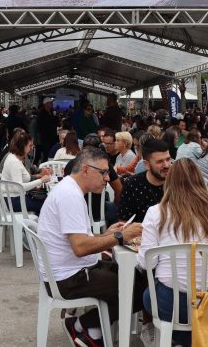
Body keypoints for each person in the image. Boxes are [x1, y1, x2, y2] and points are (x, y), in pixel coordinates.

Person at [37, 147, 143, 347]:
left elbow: (78, 239)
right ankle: (84, 325)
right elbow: (80, 247)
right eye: (103, 172)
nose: (107, 178)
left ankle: (88, 328)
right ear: (86, 170)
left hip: (69, 271)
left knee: (134, 279)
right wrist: (120, 237)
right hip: (69, 279)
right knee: (140, 290)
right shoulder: (70, 195)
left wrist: (106, 234)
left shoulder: (70, 189)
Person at [138, 158, 208, 347]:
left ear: (169, 182)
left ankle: (178, 340)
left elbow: (147, 263)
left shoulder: (156, 213)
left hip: (170, 302)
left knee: (148, 296)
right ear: (200, 180)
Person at [118, 138, 172, 223]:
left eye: (168, 159)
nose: (166, 165)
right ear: (146, 164)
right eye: (160, 162)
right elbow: (124, 222)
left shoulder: (178, 181)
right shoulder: (132, 184)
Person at [1, 132, 51, 215]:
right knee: (47, 203)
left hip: (13, 198)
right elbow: (19, 187)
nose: (32, 148)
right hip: (13, 201)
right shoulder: (14, 162)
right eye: (30, 146)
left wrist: (35, 183)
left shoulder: (14, 157)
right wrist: (41, 180)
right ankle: (36, 226)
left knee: (44, 200)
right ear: (22, 147)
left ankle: (36, 225)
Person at [36, 100, 59, 164]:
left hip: (52, 137)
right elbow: (39, 126)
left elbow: (55, 122)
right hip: (46, 137)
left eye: (51, 103)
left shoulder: (51, 112)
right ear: (46, 104)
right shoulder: (42, 114)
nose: (51, 104)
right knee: (47, 154)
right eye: (50, 103)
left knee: (52, 153)